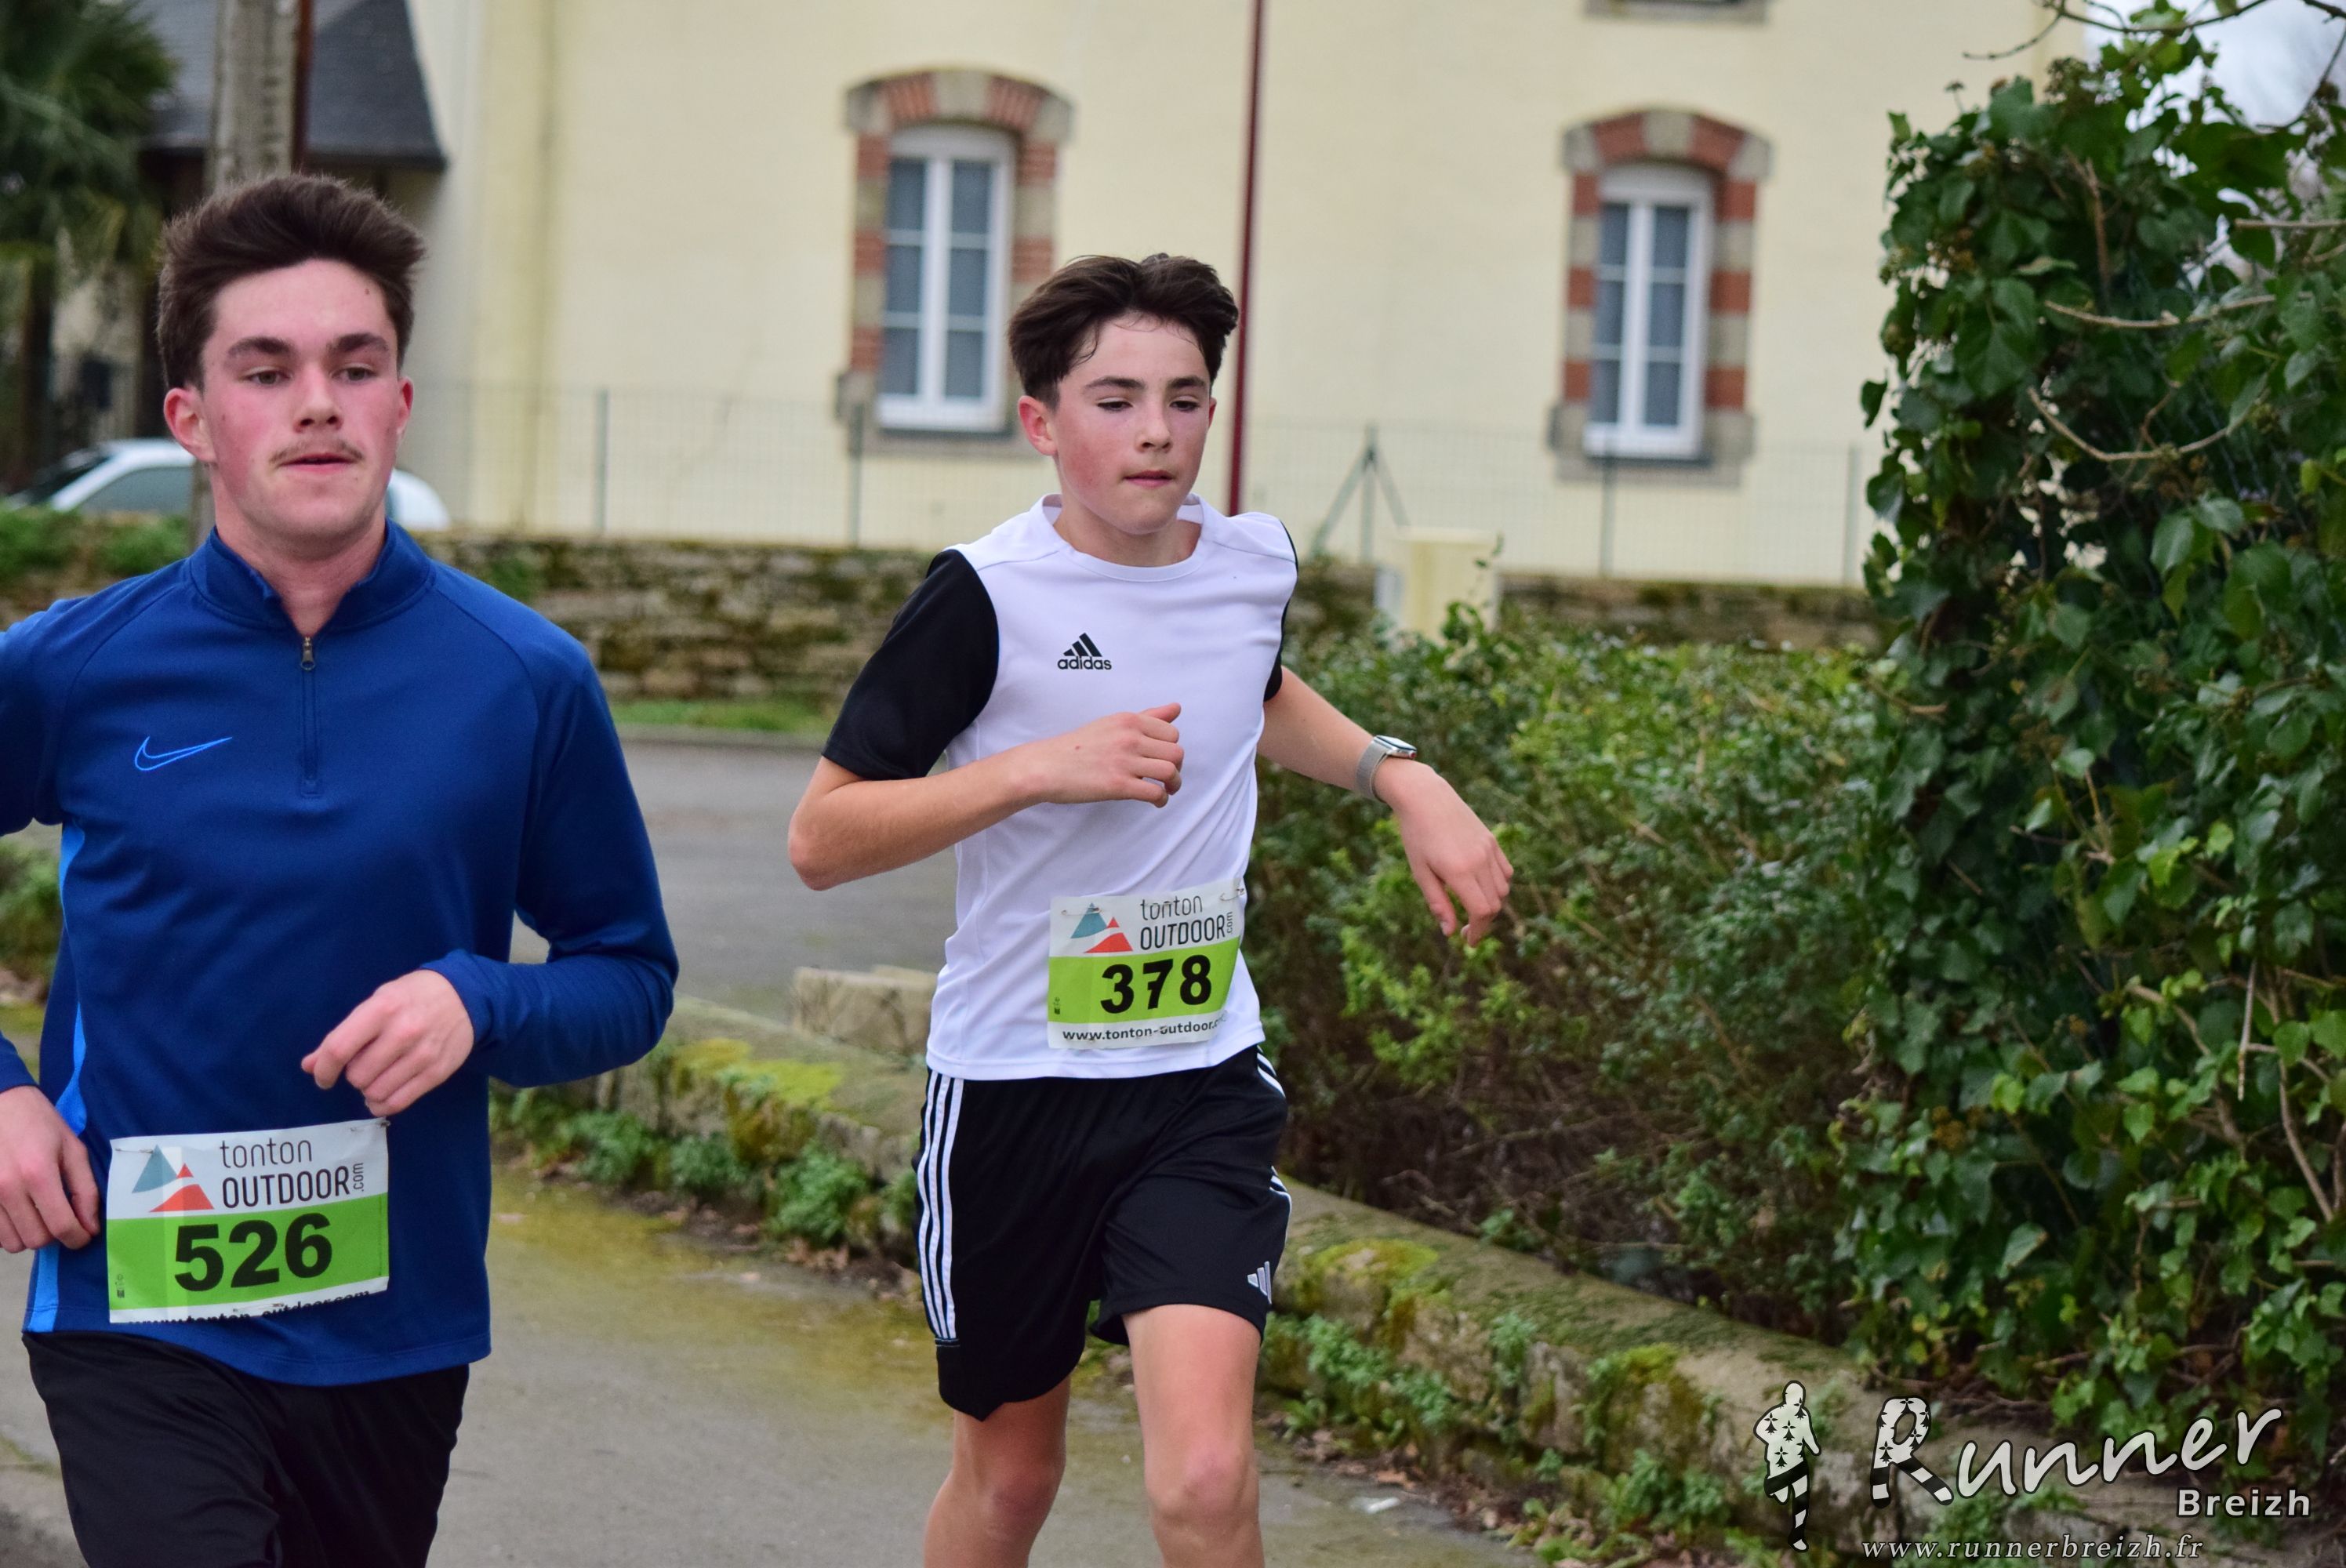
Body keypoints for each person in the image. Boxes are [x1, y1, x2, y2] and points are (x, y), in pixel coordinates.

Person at [790, 252, 1512, 1568]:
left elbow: (1256, 691)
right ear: (1041, 421)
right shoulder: (984, 596)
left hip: (1196, 1082)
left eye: (1184, 400)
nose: (1157, 433)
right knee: (1012, 1482)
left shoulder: (1249, 566)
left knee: (1207, 1478)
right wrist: (1034, 770)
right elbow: (821, 839)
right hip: (1013, 1090)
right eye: (1116, 401)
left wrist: (1400, 777)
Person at [0, 174, 677, 1568]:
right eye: (267, 371)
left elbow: (629, 975)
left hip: (396, 1321)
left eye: (354, 367)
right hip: (137, 1303)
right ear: (193, 417)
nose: (318, 403)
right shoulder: (73, 669)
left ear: (399, 404)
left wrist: (480, 1000)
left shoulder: (524, 679)